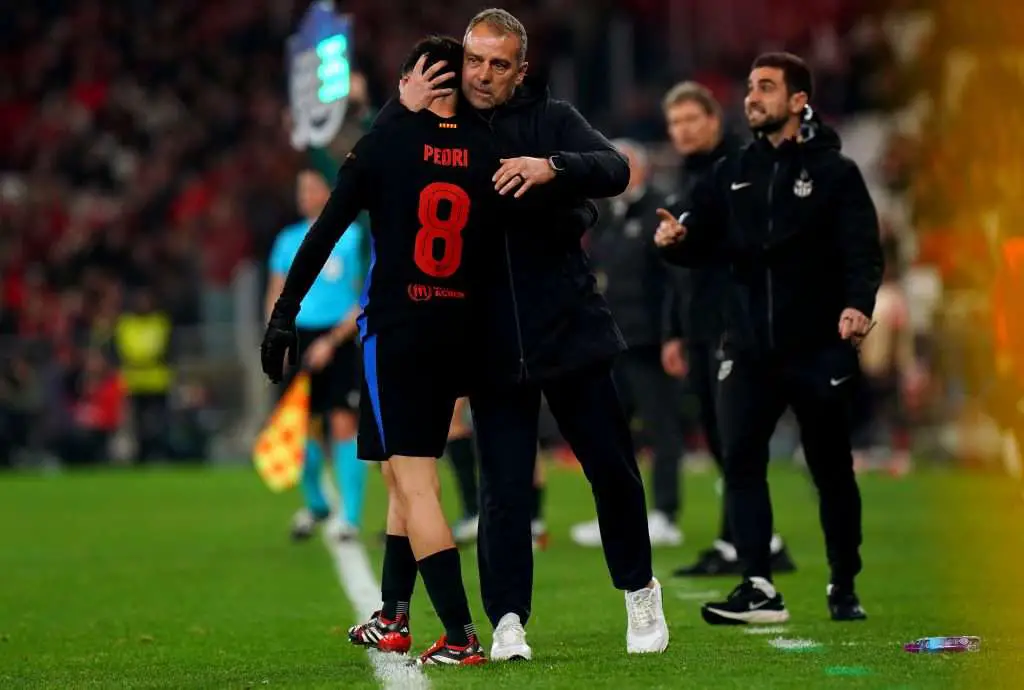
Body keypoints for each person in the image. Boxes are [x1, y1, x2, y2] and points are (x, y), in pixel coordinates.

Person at [400, 8, 669, 658]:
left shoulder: (551, 119)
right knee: (504, 488)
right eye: (475, 60)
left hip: (570, 326)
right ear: (461, 59)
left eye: (499, 64)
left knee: (611, 468)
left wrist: (553, 167)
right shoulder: (440, 128)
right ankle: (509, 621)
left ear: (521, 70)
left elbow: (615, 169)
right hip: (488, 339)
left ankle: (639, 592)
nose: (484, 75)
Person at [262, 36, 493, 666]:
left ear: (414, 81)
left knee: (414, 481)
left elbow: (326, 226)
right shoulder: (484, 146)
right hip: (457, 328)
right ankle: (393, 615)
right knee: (399, 473)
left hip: (397, 330)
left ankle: (459, 634)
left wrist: (284, 315)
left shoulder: (390, 141)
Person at [655, 52, 882, 624]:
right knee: (740, 461)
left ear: (799, 100)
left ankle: (843, 581)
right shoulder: (732, 171)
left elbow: (862, 251)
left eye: (766, 87)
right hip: (748, 344)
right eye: (750, 87)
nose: (752, 97)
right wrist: (675, 239)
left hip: (817, 345)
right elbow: (699, 240)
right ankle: (758, 583)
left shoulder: (835, 173)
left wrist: (858, 305)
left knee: (832, 470)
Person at [658, 82, 797, 577]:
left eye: (692, 119)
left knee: (733, 433)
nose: (683, 130)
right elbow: (679, 272)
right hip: (699, 324)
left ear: (715, 121)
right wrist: (674, 331)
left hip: (734, 321)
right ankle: (747, 538)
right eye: (675, 123)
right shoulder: (685, 180)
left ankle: (745, 540)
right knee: (720, 437)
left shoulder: (739, 168)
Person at [570, 139, 685, 549]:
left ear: (640, 169)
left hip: (649, 340)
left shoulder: (658, 209)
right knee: (608, 434)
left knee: (661, 428)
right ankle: (616, 515)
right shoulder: (606, 217)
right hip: (611, 341)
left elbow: (674, 279)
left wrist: (673, 333)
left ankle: (667, 513)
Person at [266, 169, 366, 541]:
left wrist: (334, 339)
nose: (304, 195)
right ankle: (318, 503)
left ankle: (351, 517)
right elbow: (275, 292)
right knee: (297, 425)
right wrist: (275, 337)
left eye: (312, 187)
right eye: (300, 188)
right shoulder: (287, 240)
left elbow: (364, 297)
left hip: (338, 337)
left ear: (330, 191)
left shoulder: (354, 238)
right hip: (297, 336)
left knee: (342, 422)